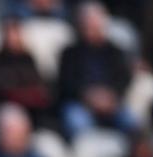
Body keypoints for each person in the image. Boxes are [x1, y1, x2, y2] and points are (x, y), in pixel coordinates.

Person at [57, 2, 137, 139]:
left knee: (131, 122)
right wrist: (87, 96)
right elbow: (66, 82)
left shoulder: (115, 52)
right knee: (76, 121)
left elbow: (124, 79)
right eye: (87, 23)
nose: (91, 27)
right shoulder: (69, 53)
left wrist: (111, 96)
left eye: (94, 23)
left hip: (111, 102)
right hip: (81, 103)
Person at [0, 17, 53, 129]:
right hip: (10, 105)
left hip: (33, 107)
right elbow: (2, 87)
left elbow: (35, 81)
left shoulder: (28, 58)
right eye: (9, 33)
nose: (12, 37)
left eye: (15, 33)